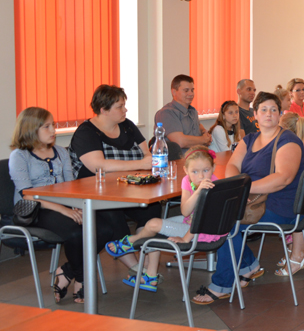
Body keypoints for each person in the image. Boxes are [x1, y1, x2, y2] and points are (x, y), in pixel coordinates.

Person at [191, 92, 304, 305]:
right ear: (255, 114)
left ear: (280, 114)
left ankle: (223, 284)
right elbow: (232, 165)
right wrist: (238, 188)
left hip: (281, 204)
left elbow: (283, 178)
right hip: (253, 199)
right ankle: (248, 265)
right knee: (223, 217)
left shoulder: (288, 141)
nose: (269, 114)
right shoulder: (249, 139)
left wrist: (245, 190)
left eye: (273, 110)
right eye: (263, 109)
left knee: (227, 223)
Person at [70, 85, 162, 284]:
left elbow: (147, 154)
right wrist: (140, 164)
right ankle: (137, 269)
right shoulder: (86, 133)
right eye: (120, 106)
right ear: (103, 109)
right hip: (96, 195)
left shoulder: (127, 126)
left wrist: (145, 161)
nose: (125, 110)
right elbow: (99, 166)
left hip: (130, 190)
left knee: (152, 209)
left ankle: (148, 267)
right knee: (113, 216)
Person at [9, 107, 99, 303]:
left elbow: (71, 186)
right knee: (75, 232)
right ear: (31, 129)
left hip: (63, 206)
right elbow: (27, 195)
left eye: (53, 125)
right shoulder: (19, 156)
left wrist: (76, 206)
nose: (53, 130)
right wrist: (64, 210)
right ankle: (81, 279)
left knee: (103, 228)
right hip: (35, 211)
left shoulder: (60, 151)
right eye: (47, 126)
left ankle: (66, 272)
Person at [104, 146, 221, 292]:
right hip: (190, 222)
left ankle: (133, 244)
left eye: (206, 170)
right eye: (195, 172)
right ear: (186, 171)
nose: (201, 176)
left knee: (154, 227)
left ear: (213, 168)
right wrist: (197, 191)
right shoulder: (186, 180)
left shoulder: (213, 187)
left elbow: (203, 220)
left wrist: (185, 239)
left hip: (201, 232)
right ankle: (149, 273)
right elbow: (185, 211)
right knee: (151, 225)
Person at [154, 75, 212, 153]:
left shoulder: (192, 111)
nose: (191, 94)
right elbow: (180, 142)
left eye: (192, 90)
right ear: (174, 92)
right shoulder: (167, 113)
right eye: (186, 90)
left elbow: (198, 125)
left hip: (199, 156)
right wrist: (204, 140)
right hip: (179, 158)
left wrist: (205, 132)